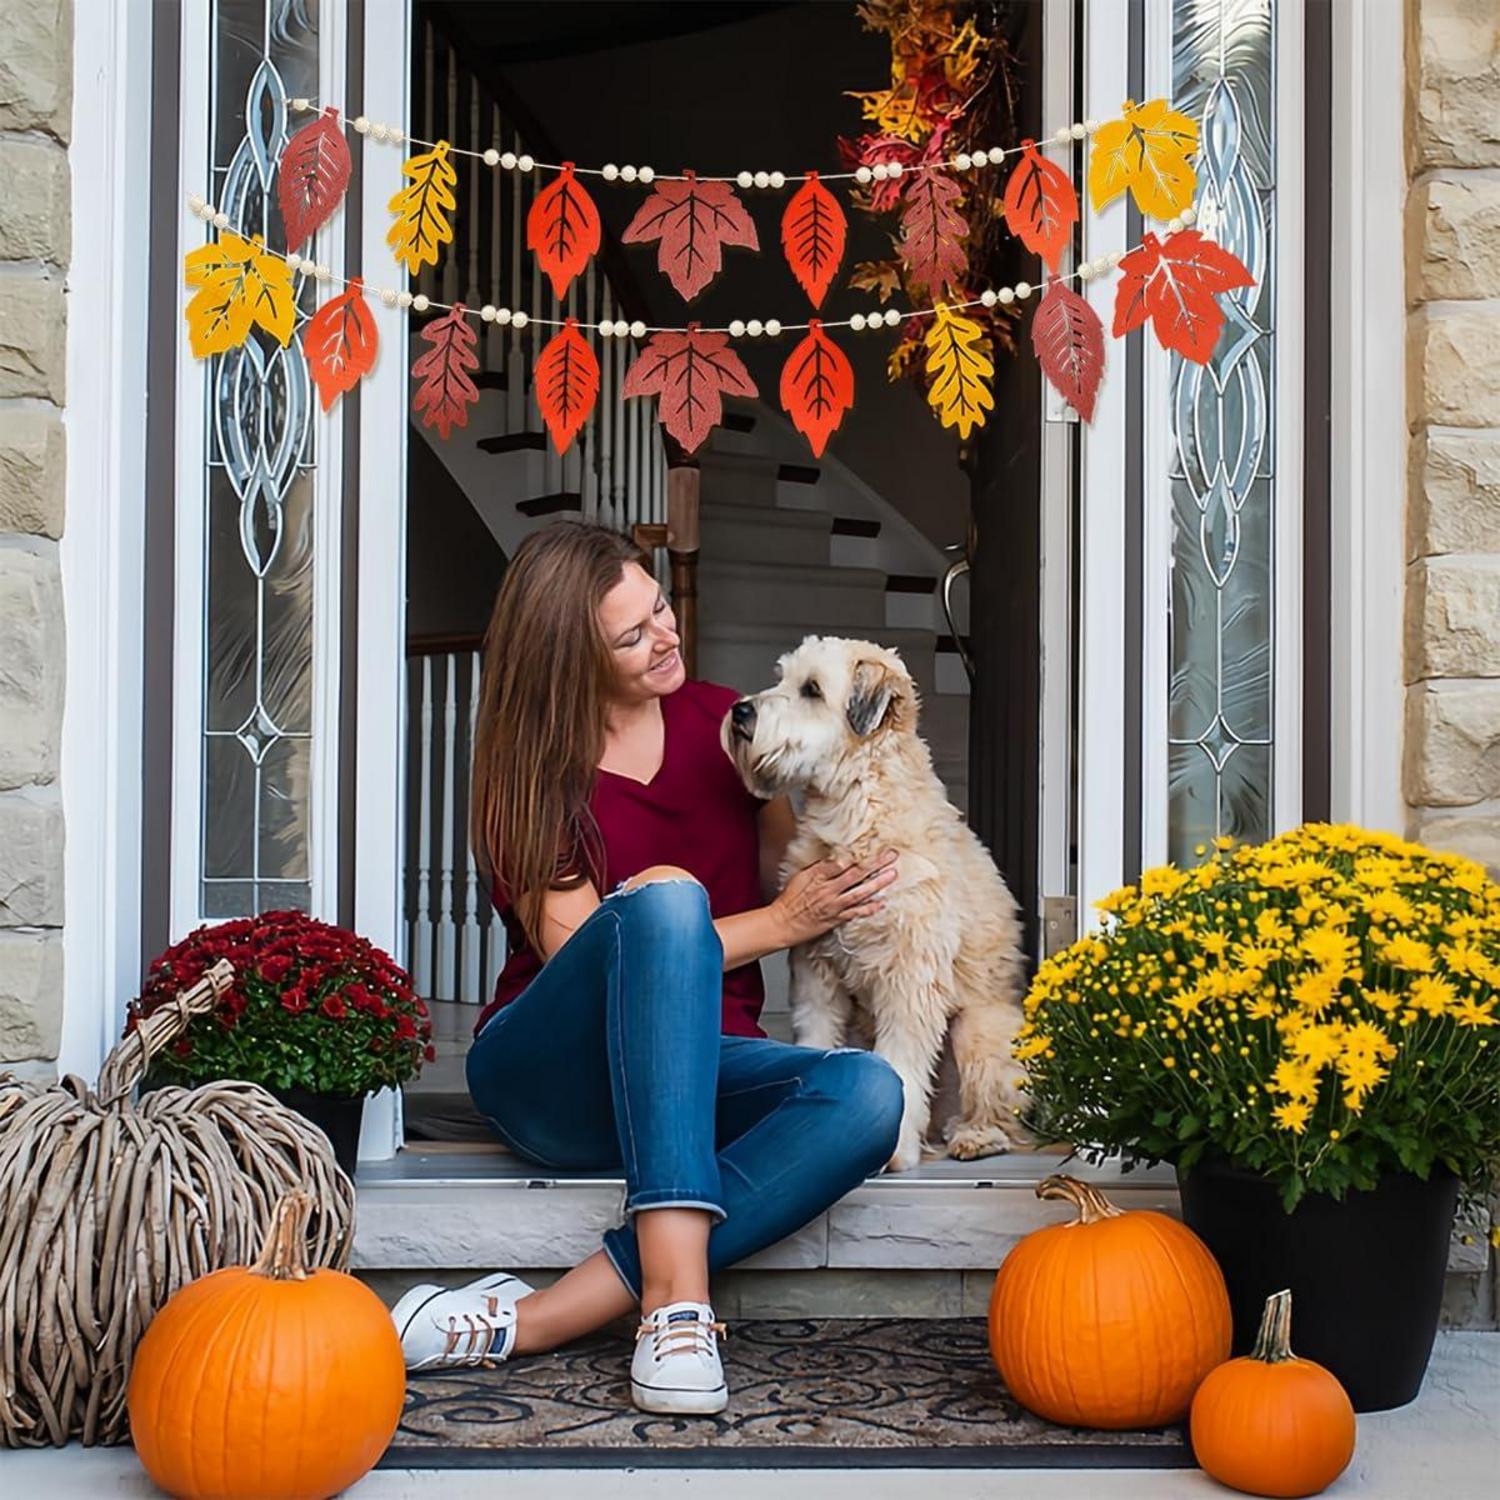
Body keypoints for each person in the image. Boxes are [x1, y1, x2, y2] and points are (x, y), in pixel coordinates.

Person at [389, 522, 904, 1415]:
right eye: (632, 636)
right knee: (664, 900)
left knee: (870, 1096)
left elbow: (804, 869)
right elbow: (591, 952)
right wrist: (782, 921)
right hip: (558, 1071)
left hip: (703, 1066)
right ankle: (676, 1306)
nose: (665, 634)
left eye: (658, 606)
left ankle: (545, 1315)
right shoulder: (527, 772)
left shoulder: (728, 726)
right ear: (569, 659)